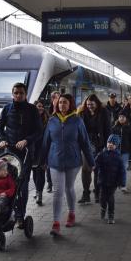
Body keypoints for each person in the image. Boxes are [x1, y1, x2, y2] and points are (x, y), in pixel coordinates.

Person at [41, 94, 94, 236]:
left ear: (70, 104)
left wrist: (91, 161)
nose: (61, 105)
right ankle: (56, 223)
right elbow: (46, 142)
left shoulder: (77, 121)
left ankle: (71, 213)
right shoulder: (52, 120)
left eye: (65, 103)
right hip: (55, 161)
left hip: (73, 161)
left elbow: (85, 142)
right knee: (58, 191)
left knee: (69, 187)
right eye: (60, 103)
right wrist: (42, 161)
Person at [0, 82, 43, 228]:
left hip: (26, 153)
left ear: (25, 94)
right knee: (7, 183)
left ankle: (20, 215)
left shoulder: (32, 109)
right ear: (12, 94)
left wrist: (27, 141)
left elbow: (39, 131)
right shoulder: (7, 108)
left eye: (21, 93)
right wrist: (2, 140)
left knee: (22, 185)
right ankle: (6, 211)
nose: (18, 95)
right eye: (16, 93)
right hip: (9, 153)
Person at [77, 94, 111, 204]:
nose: (89, 106)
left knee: (98, 170)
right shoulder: (82, 113)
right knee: (86, 170)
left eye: (91, 104)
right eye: (87, 104)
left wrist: (108, 145)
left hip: (100, 145)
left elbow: (107, 129)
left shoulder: (104, 112)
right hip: (86, 145)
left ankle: (98, 193)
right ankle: (86, 193)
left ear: (96, 103)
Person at [95, 134, 125, 224]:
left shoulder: (118, 157)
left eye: (113, 143)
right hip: (103, 180)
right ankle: (103, 208)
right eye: (109, 142)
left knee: (110, 198)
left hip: (113, 182)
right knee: (102, 198)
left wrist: (122, 182)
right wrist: (94, 166)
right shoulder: (102, 154)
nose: (110, 144)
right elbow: (96, 163)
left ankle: (111, 215)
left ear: (116, 145)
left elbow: (122, 171)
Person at [111, 112, 131, 193]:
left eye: (123, 117)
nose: (121, 118)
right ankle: (115, 184)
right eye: (120, 117)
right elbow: (110, 139)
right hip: (115, 151)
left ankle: (123, 185)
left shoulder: (129, 128)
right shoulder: (114, 128)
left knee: (123, 168)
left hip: (125, 152)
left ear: (126, 118)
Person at [32, 100, 50, 205]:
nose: (41, 108)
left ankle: (40, 193)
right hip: (33, 149)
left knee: (41, 171)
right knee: (34, 172)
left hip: (43, 150)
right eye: (38, 106)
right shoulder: (30, 119)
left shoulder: (47, 120)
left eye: (42, 106)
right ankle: (37, 190)